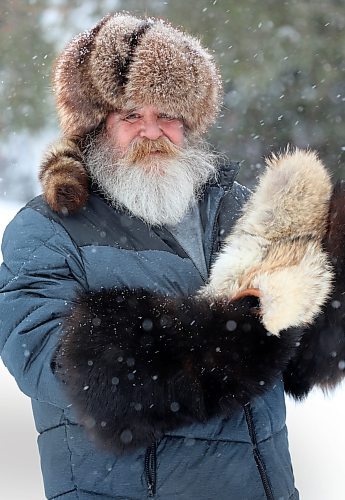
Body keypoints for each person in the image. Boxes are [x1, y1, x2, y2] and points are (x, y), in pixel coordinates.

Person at [1, 12, 345, 500]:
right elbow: (63, 369)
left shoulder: (237, 207)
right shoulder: (45, 229)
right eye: (130, 116)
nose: (151, 131)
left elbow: (304, 358)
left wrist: (333, 267)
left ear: (188, 125)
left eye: (167, 115)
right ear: (98, 126)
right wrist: (227, 335)